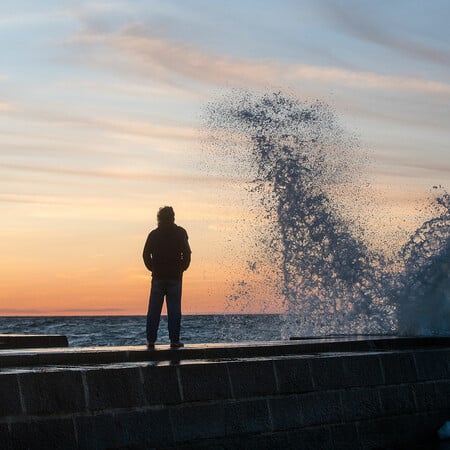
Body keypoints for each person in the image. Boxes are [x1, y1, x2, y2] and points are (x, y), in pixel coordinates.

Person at [143, 206, 191, 349]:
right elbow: (187, 254)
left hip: (158, 277)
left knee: (154, 310)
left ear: (159, 218)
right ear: (173, 217)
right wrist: (182, 268)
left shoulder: (154, 234)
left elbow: (145, 255)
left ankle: (151, 341)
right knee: (174, 310)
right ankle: (174, 341)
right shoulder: (180, 233)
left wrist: (153, 268)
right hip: (175, 277)